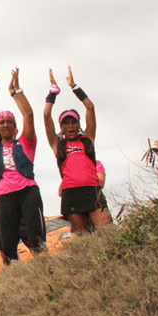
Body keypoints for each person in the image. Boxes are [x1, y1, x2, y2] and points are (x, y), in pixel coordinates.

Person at [0, 69, 46, 264]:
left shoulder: (26, 142)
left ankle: (45, 272)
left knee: (36, 239)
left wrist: (16, 92)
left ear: (15, 128)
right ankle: (13, 280)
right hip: (4, 196)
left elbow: (29, 114)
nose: (6, 125)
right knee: (7, 246)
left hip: (28, 192)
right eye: (2, 122)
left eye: (9, 122)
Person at [43, 67, 110, 234]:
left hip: (92, 190)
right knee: (81, 236)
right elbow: (46, 115)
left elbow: (90, 107)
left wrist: (74, 87)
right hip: (71, 192)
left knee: (108, 232)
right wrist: (52, 93)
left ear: (79, 124)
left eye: (74, 122)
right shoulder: (58, 143)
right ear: (62, 127)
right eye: (66, 123)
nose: (70, 125)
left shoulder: (88, 139)